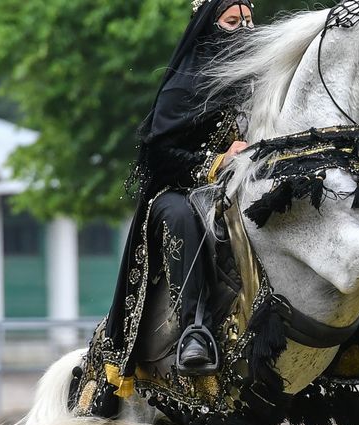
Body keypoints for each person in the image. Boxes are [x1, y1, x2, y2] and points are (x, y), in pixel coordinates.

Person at [103, 0, 254, 382]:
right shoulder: (184, 85)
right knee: (182, 216)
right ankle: (195, 330)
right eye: (233, 21)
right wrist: (218, 160)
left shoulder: (265, 81)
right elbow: (157, 156)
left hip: (244, 186)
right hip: (178, 193)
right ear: (209, 27)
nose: (244, 29)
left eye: (249, 21)